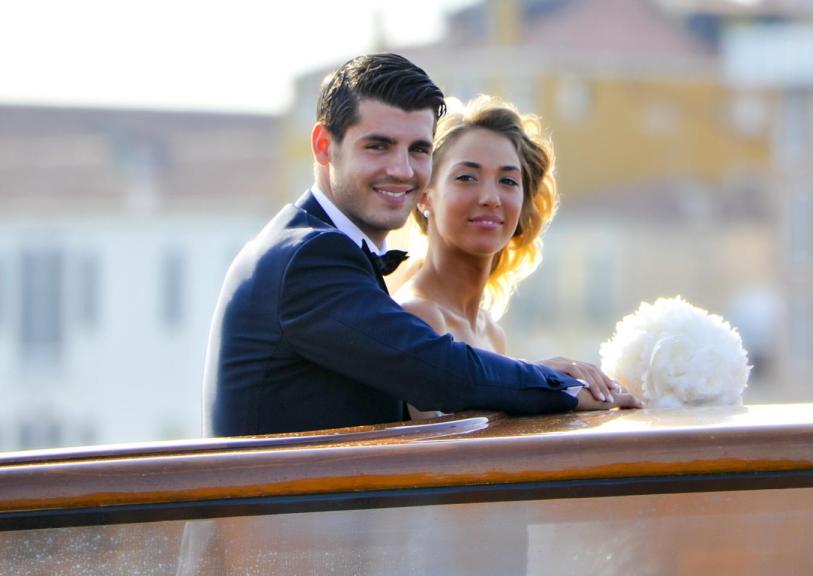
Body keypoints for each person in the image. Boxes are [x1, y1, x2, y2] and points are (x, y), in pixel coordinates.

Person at [202, 53, 639, 437]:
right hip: (278, 530)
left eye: (418, 150)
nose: (402, 169)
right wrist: (555, 384)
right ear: (323, 146)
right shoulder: (309, 256)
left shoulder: (318, 245)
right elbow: (439, 371)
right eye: (378, 146)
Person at [394, 95, 622, 419]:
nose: (490, 198)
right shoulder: (416, 316)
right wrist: (541, 383)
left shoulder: (491, 331)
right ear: (425, 196)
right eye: (466, 177)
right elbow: (444, 451)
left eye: (508, 181)